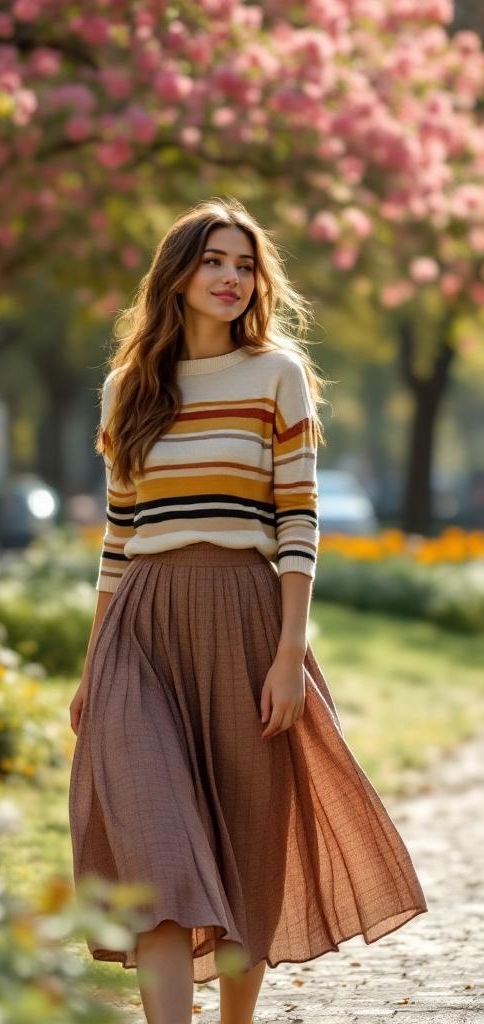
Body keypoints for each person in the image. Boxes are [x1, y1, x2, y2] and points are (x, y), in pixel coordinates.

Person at [68, 197, 427, 1024]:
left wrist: (287, 652)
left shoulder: (278, 375)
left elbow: (297, 519)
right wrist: (94, 667)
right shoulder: (130, 388)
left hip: (245, 615)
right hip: (142, 631)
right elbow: (120, 539)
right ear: (178, 275)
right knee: (154, 852)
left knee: (246, 836)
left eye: (244, 264)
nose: (231, 278)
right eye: (213, 261)